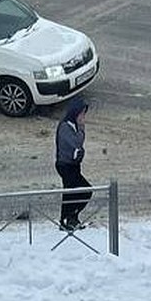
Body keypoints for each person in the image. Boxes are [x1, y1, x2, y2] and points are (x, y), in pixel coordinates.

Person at [55, 98, 92, 231]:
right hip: (65, 165)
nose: (83, 117)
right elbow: (76, 143)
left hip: (73, 165)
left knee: (73, 192)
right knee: (80, 190)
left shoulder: (73, 126)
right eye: (81, 114)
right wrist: (82, 129)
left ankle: (71, 218)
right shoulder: (65, 126)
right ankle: (66, 218)